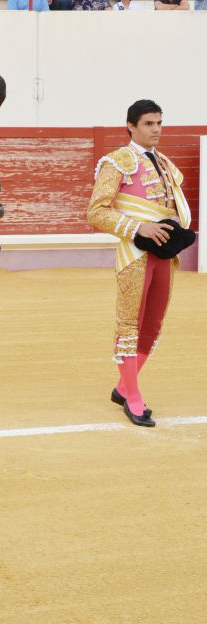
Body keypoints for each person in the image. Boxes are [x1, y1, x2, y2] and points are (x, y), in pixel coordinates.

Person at [87, 99, 192, 427]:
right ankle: (132, 397)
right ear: (131, 126)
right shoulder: (117, 162)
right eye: (149, 123)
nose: (156, 129)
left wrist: (172, 219)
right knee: (129, 325)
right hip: (135, 254)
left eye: (159, 123)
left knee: (153, 324)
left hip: (164, 254)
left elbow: (169, 205)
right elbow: (96, 212)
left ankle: (123, 386)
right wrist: (139, 227)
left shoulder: (164, 163)